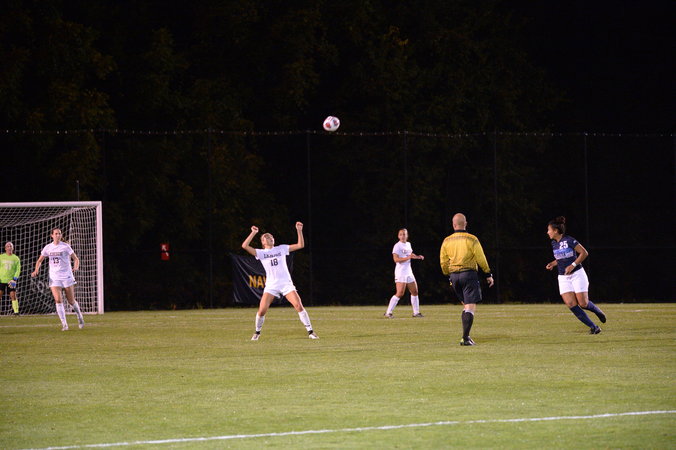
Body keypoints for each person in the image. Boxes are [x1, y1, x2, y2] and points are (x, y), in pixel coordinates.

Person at [241, 222, 318, 340]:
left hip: (286, 283)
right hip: (271, 285)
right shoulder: (261, 253)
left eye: (271, 236)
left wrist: (299, 230)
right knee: (262, 311)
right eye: (266, 237)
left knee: (298, 305)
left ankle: (311, 332)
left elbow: (300, 245)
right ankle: (257, 332)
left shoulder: (281, 248)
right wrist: (253, 233)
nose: (269, 237)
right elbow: (245, 246)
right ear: (263, 242)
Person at [440, 213, 494, 346]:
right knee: (470, 306)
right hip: (468, 274)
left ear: (453, 225)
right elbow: (480, 257)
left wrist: (448, 274)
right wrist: (488, 273)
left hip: (454, 276)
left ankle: (466, 336)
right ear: (465, 224)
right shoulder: (472, 239)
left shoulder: (447, 241)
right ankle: (465, 338)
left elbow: (443, 261)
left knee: (466, 306)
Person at [546, 216, 606, 334]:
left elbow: (584, 253)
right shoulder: (554, 243)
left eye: (549, 230)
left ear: (556, 231)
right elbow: (562, 258)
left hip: (577, 274)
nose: (547, 232)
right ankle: (594, 327)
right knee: (570, 304)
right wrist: (553, 263)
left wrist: (573, 265)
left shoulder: (569, 240)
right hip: (563, 277)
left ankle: (598, 311)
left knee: (583, 303)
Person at [31, 228, 85, 331]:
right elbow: (39, 261)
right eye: (56, 234)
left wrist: (76, 267)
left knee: (71, 301)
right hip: (54, 277)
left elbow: (75, 258)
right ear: (52, 235)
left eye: (59, 233)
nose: (58, 235)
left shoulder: (65, 246)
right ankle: (64, 324)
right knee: (58, 300)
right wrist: (36, 270)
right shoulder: (48, 247)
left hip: (66, 276)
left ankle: (80, 317)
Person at [384, 228, 425, 318]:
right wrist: (408, 257)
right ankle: (388, 312)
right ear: (398, 236)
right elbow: (396, 259)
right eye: (401, 234)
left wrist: (417, 257)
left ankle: (416, 312)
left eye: (404, 234)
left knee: (415, 291)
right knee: (400, 293)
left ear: (407, 235)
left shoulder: (408, 244)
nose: (403, 236)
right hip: (401, 272)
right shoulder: (397, 246)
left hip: (409, 271)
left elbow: (410, 255)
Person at [0, 242, 21, 315]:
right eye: (8, 246)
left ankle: (16, 312)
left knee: (13, 296)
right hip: (1, 280)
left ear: (13, 248)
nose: (9, 247)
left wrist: (14, 279)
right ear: (5, 248)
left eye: (10, 246)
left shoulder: (16, 258)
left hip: (11, 281)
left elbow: (18, 270)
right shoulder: (1, 257)